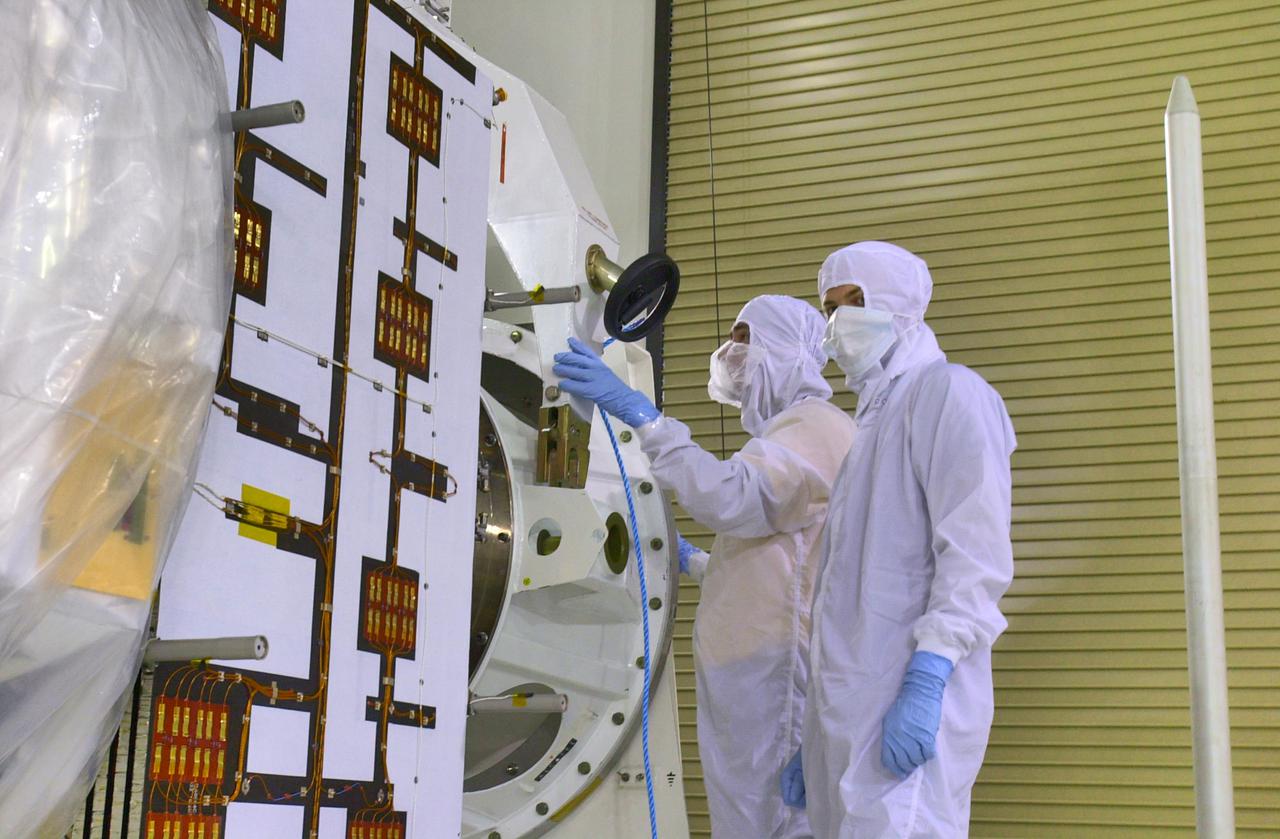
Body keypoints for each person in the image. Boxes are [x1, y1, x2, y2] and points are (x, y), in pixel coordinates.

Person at [554, 295, 855, 839]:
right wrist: (696, 561)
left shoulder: (815, 426)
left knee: (774, 824)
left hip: (774, 677)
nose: (728, 352)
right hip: (754, 675)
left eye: (745, 338)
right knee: (751, 820)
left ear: (784, 349)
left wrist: (644, 418)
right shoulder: (788, 433)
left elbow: (731, 500)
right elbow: (783, 561)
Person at [779, 241, 1017, 837]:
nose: (839, 321)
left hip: (905, 704)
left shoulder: (949, 392)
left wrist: (929, 676)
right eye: (829, 308)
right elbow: (842, 591)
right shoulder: (872, 422)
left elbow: (975, 555)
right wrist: (815, 734)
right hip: (848, 715)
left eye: (855, 300)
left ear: (900, 301)